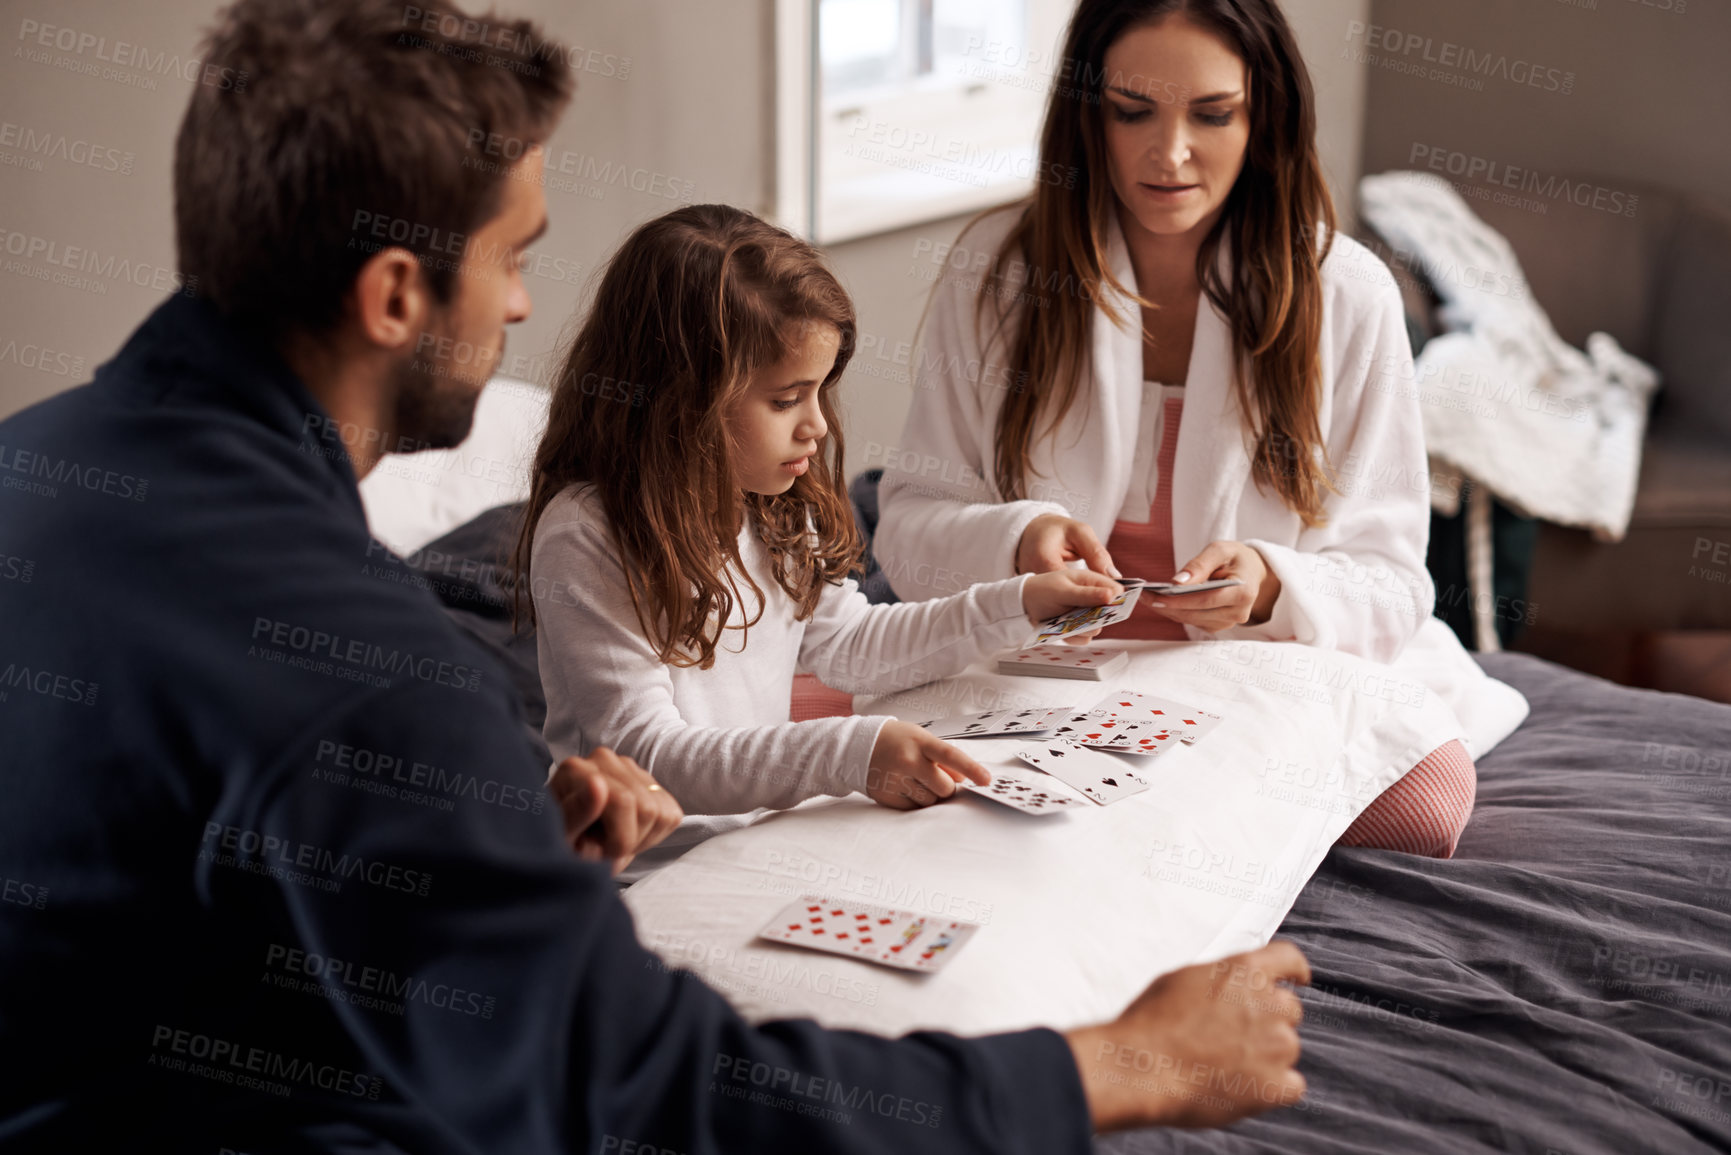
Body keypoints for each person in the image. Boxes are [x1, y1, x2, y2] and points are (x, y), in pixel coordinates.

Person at [0, 1, 1311, 1150]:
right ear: (397, 292)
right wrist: (1117, 1064)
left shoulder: (39, 461)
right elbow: (652, 1086)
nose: (519, 309)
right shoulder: (359, 663)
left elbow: (152, 861)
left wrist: (474, 840)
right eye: (513, 256)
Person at [874, 0, 1478, 857]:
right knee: (922, 789)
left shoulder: (1347, 294)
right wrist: (1018, 542)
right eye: (1131, 113)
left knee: (1422, 806)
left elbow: (1390, 583)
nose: (1169, 155)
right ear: (1088, 114)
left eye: (1211, 113)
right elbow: (905, 534)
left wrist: (1270, 586)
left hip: (1255, 673)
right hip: (1033, 674)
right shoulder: (1000, 276)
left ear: (1261, 112)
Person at [520, 204, 1124, 870]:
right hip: (641, 874)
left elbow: (849, 645)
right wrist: (850, 753)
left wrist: (1018, 603)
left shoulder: (772, 504)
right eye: (785, 400)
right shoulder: (584, 536)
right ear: (681, 398)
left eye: (820, 392)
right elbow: (649, 757)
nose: (818, 426)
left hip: (757, 839)